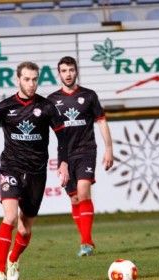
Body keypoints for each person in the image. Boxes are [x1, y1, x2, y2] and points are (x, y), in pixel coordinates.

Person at [0, 61, 69, 280]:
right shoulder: (3, 107)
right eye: (27, 79)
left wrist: (64, 163)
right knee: (9, 218)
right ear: (17, 79)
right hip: (11, 167)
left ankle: (13, 258)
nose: (31, 83)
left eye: (35, 79)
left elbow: (62, 137)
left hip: (37, 172)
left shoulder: (47, 107)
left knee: (25, 228)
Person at [47, 56, 114, 257]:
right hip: (65, 155)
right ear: (58, 74)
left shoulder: (89, 96)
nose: (68, 74)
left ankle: (86, 243)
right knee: (75, 198)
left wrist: (109, 148)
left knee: (84, 192)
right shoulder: (51, 100)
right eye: (64, 71)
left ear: (76, 71)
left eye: (71, 70)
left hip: (86, 150)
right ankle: (85, 239)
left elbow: (101, 121)